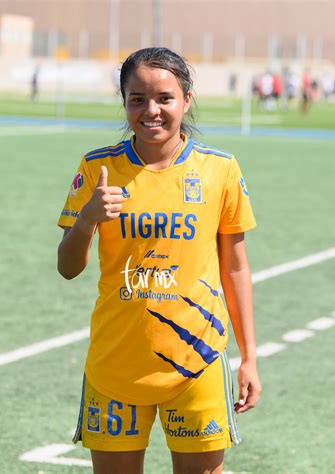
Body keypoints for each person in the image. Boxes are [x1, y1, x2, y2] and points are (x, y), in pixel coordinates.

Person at [57, 47, 261, 474]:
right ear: (125, 102)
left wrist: (250, 359)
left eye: (164, 98)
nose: (151, 110)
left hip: (197, 361)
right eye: (137, 99)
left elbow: (236, 269)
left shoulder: (218, 169)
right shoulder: (98, 168)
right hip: (116, 364)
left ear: (186, 99)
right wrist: (87, 221)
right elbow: (68, 266)